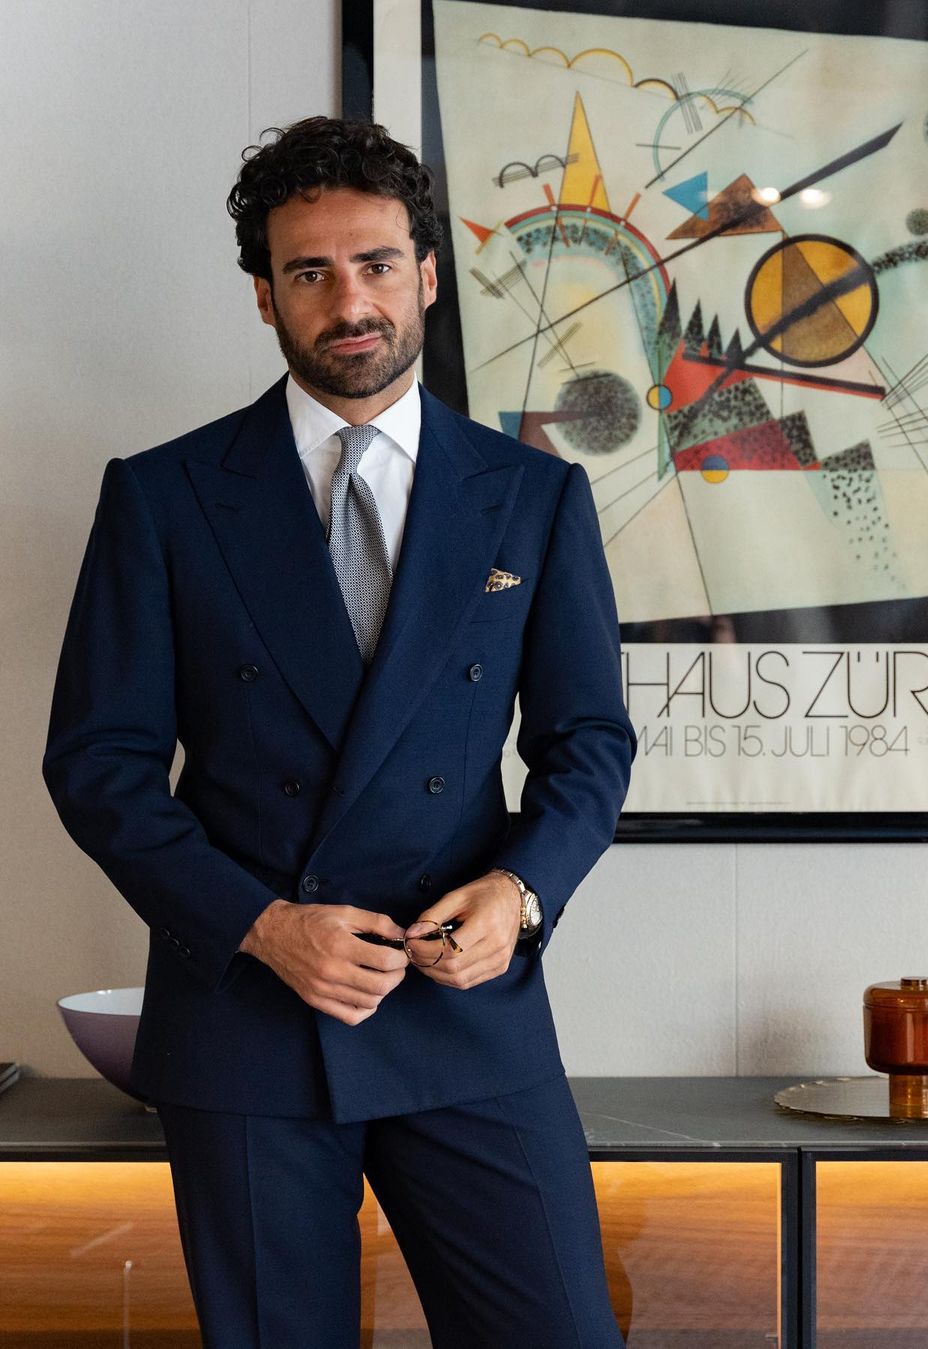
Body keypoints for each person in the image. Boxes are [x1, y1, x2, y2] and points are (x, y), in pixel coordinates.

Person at [42, 116, 635, 1348]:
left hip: (465, 1006)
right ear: (266, 296)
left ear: (428, 274)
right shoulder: (164, 494)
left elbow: (588, 740)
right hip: (249, 1019)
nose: (349, 301)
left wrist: (521, 893)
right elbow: (99, 763)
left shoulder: (532, 494)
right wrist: (263, 925)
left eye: (375, 264)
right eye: (310, 272)